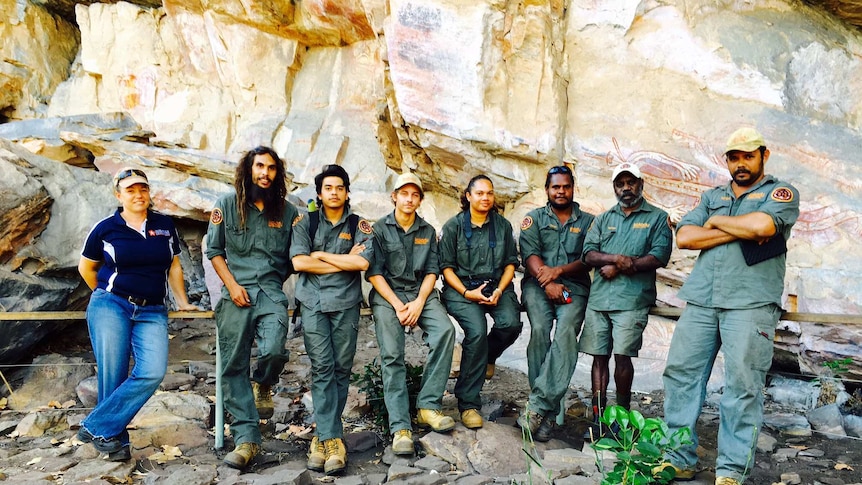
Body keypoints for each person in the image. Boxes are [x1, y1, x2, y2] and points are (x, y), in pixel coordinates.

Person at [657, 127, 799, 485]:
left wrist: (718, 222)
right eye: (734, 157)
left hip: (750, 303)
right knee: (681, 376)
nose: (740, 164)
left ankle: (731, 470)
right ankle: (678, 457)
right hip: (703, 298)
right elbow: (686, 237)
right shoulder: (713, 195)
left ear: (763, 155)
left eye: (748, 156)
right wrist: (741, 228)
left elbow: (764, 224)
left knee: (742, 385)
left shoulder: (780, 193)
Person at [77, 167, 197, 461]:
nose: (138, 194)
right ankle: (115, 443)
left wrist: (182, 302)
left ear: (149, 192)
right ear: (119, 195)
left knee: (153, 371)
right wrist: (105, 295)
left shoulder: (165, 225)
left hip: (152, 309)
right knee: (113, 373)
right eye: (130, 190)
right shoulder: (105, 228)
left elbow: (174, 266)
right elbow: (86, 268)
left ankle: (95, 427)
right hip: (111, 304)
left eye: (142, 188)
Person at [205, 146, 299, 469]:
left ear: (278, 174)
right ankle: (247, 440)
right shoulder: (227, 205)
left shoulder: (288, 212)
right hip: (236, 294)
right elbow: (214, 250)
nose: (265, 173)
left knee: (273, 349)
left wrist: (274, 281)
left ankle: (264, 382)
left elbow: (295, 257)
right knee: (232, 366)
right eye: (260, 166)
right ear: (248, 169)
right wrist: (231, 285)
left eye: (271, 168)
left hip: (271, 294)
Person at [290, 164, 373, 475]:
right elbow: (299, 262)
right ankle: (331, 437)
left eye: (340, 187)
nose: (334, 192)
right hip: (312, 304)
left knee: (341, 368)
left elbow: (362, 261)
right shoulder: (306, 223)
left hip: (346, 305)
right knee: (323, 366)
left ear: (347, 192)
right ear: (320, 193)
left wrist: (321, 256)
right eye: (328, 188)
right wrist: (341, 261)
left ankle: (323, 439)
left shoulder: (360, 225)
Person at [367, 172, 456, 455]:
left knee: (445, 332)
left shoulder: (427, 231)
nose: (409, 199)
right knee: (392, 353)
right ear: (394, 196)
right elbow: (374, 274)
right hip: (387, 295)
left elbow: (432, 271)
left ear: (419, 199)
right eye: (404, 193)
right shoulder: (379, 229)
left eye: (415, 194)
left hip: (421, 293)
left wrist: (418, 303)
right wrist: (397, 304)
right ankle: (400, 426)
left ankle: (428, 406)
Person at [580, 163, 672, 437]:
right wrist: (614, 258)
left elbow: (659, 256)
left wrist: (620, 266)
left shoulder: (657, 218)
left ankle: (621, 417)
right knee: (599, 358)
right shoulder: (604, 218)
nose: (626, 188)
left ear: (640, 184)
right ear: (614, 188)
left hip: (632, 301)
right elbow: (587, 254)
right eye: (620, 184)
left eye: (630, 182)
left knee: (622, 358)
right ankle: (599, 418)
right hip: (599, 301)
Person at [516, 165, 593, 441]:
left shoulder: (588, 222)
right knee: (539, 330)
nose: (561, 191)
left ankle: (537, 410)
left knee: (566, 334)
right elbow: (530, 254)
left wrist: (558, 274)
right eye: (555, 187)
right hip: (538, 285)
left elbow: (588, 258)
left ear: (573, 188)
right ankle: (547, 414)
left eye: (566, 186)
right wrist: (547, 282)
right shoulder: (533, 219)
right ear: (547, 190)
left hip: (574, 288)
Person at [439, 175, 521, 429]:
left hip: (496, 285)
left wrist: (501, 290)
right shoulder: (453, 227)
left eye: (490, 194)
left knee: (510, 323)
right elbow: (446, 269)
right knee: (476, 331)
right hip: (462, 288)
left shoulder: (503, 226)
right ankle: (468, 403)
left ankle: (487, 357)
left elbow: (510, 264)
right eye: (480, 193)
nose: (485, 198)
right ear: (468, 196)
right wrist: (466, 293)